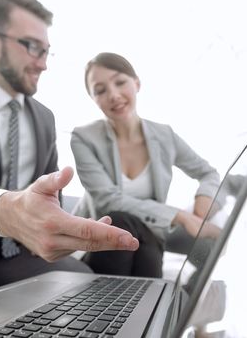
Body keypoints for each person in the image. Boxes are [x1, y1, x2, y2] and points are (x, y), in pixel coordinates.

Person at [0, 0, 139, 298]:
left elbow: (48, 192)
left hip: (12, 256)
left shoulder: (44, 119)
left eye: (47, 51)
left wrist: (64, 226)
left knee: (85, 284)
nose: (43, 64)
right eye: (33, 48)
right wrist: (6, 211)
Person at [70, 52, 224, 278]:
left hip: (149, 238)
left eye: (120, 82)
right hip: (103, 238)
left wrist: (206, 197)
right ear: (94, 99)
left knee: (150, 256)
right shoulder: (84, 138)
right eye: (101, 90)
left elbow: (208, 173)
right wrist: (180, 217)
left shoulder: (164, 136)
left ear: (137, 83)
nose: (113, 95)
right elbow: (108, 200)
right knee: (119, 219)